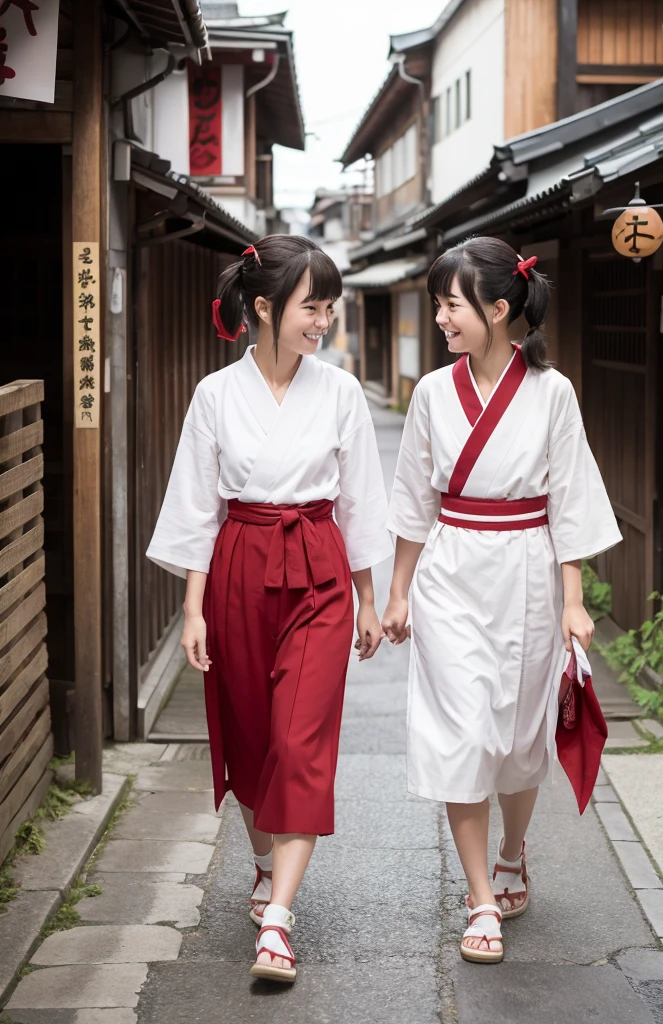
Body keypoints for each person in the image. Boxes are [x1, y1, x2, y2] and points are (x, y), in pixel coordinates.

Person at [147, 235, 392, 983]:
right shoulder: (215, 395)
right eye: (312, 306)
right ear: (264, 307)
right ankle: (262, 862)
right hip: (238, 567)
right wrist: (193, 610)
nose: (324, 321)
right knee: (253, 737)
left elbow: (359, 499)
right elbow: (196, 506)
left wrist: (369, 599)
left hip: (317, 565)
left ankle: (278, 922)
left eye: (330, 308)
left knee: (300, 741)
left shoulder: (342, 391)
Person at [381, 236, 621, 964]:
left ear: (497, 307)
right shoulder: (430, 393)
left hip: (528, 572)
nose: (442, 319)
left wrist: (574, 600)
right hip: (451, 570)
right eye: (439, 305)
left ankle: (515, 850)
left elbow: (570, 498)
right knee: (465, 735)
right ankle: (481, 897)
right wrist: (397, 592)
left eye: (451, 305)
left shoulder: (552, 393)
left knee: (518, 739)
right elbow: (414, 501)